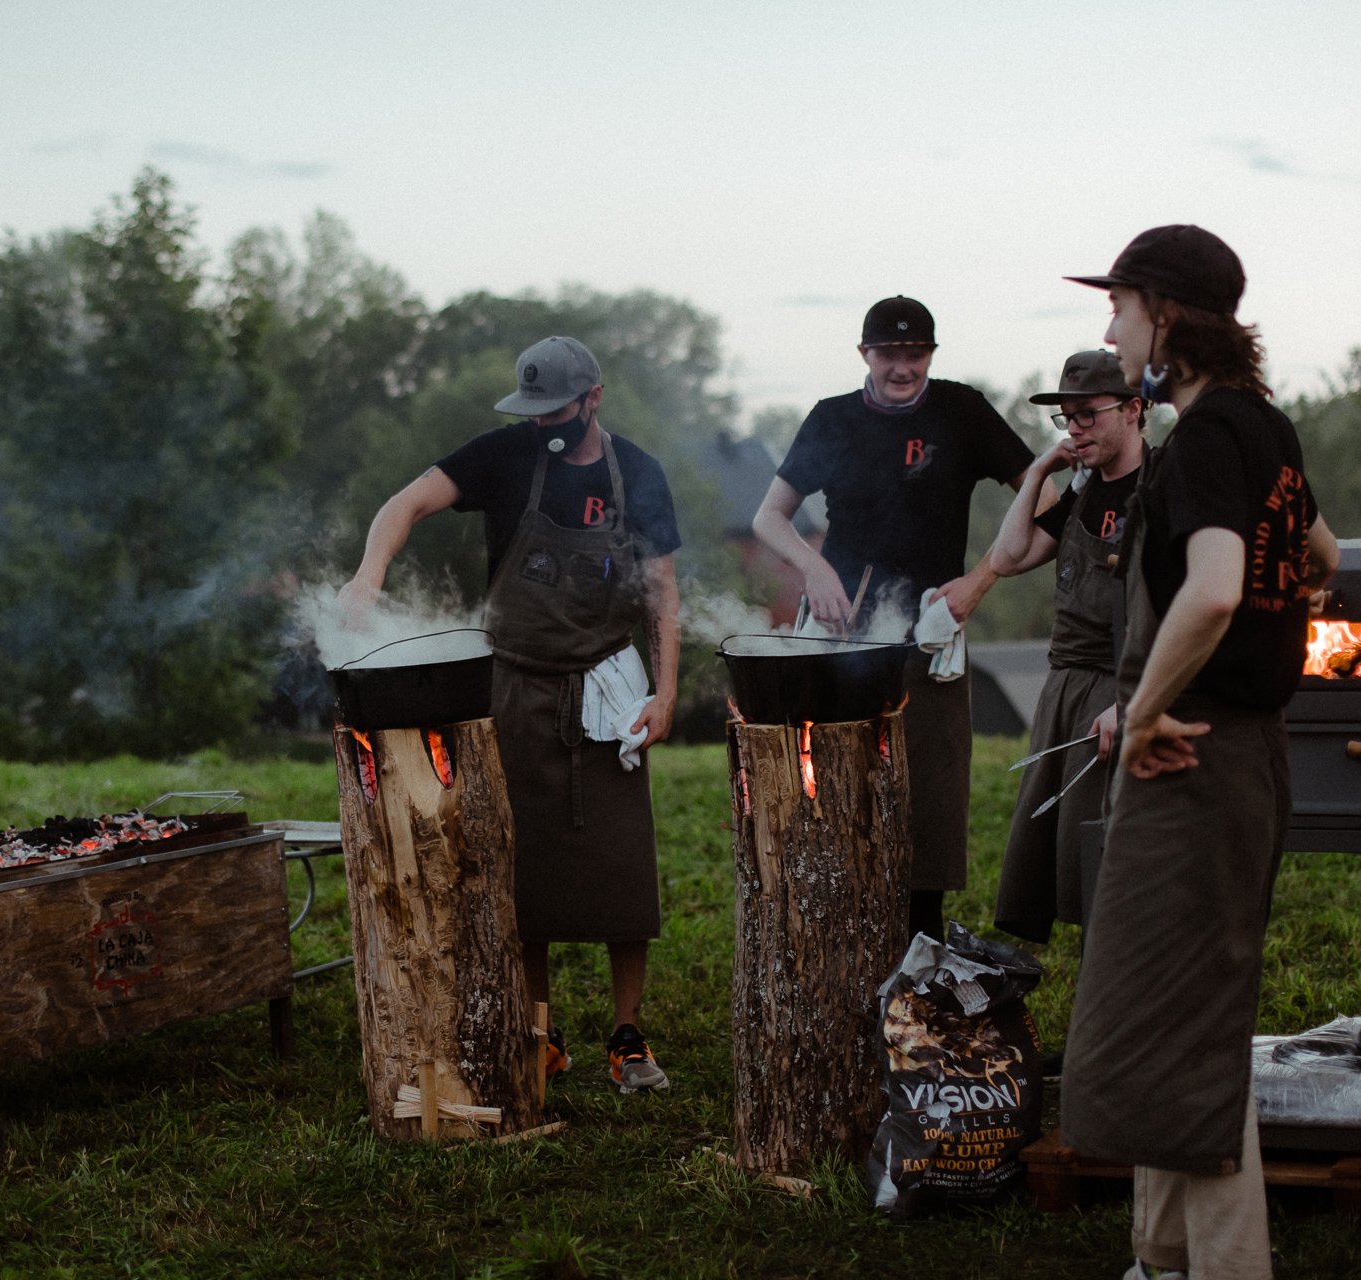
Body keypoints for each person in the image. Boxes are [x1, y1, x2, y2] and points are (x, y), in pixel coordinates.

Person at [1058, 226, 1339, 1280]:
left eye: (1118, 306)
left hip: (1196, 761)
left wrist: (1152, 708)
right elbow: (1322, 554)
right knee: (1158, 1013)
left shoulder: (1212, 430)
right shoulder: (1260, 428)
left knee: (1184, 1026)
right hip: (1227, 745)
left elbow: (1220, 586)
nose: (1108, 329)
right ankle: (1166, 1277)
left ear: (1164, 316)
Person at [339, 336, 681, 1093]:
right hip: (515, 688)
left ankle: (627, 1034)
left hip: (609, 689)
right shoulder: (506, 454)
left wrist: (665, 692)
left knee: (625, 871)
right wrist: (371, 571)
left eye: (557, 409)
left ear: (593, 398)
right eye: (533, 411)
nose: (545, 424)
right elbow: (407, 503)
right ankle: (540, 1032)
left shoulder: (639, 475)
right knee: (520, 871)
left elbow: (662, 593)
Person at [751, 296, 1034, 943]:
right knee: (832, 803)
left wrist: (981, 580)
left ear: (931, 355)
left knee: (928, 809)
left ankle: (920, 957)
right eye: (889, 354)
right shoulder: (833, 418)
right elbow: (770, 516)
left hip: (929, 640)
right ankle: (834, 946)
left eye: (915, 354)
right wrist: (816, 568)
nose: (902, 367)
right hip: (841, 639)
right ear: (864, 355)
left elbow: (1040, 496)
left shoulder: (962, 411)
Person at [989, 350, 1146, 944]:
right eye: (1068, 419)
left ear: (1132, 410)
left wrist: (1129, 700)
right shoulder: (1082, 492)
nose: (1076, 429)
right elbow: (1007, 558)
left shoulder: (1158, 490)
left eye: (1089, 415)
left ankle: (1113, 1005)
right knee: (1054, 852)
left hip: (1116, 687)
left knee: (1103, 858)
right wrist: (1038, 474)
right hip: (1064, 688)